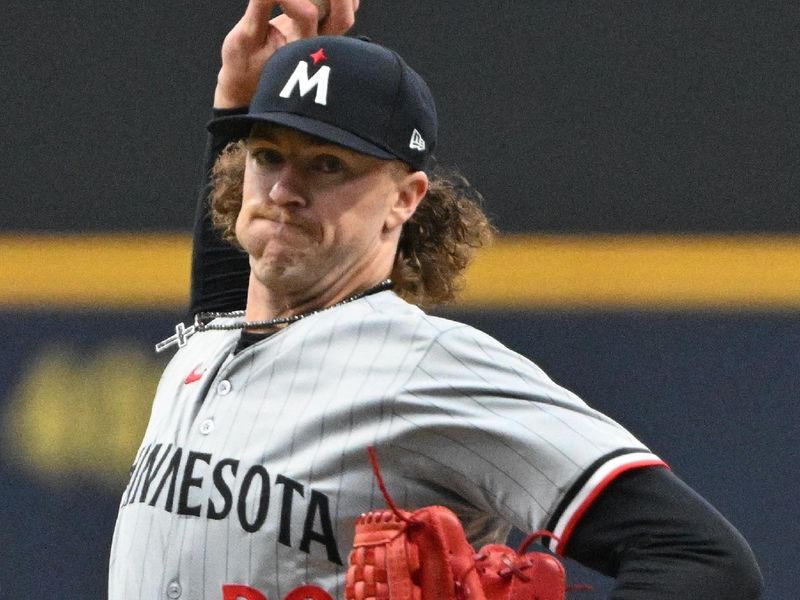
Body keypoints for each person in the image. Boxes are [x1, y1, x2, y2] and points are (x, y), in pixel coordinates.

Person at [109, 1, 763, 598]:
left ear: (406, 196)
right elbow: (234, 301)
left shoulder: (423, 367)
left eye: (327, 165)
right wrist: (236, 98)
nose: (283, 190)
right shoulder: (216, 343)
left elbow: (702, 559)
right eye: (268, 155)